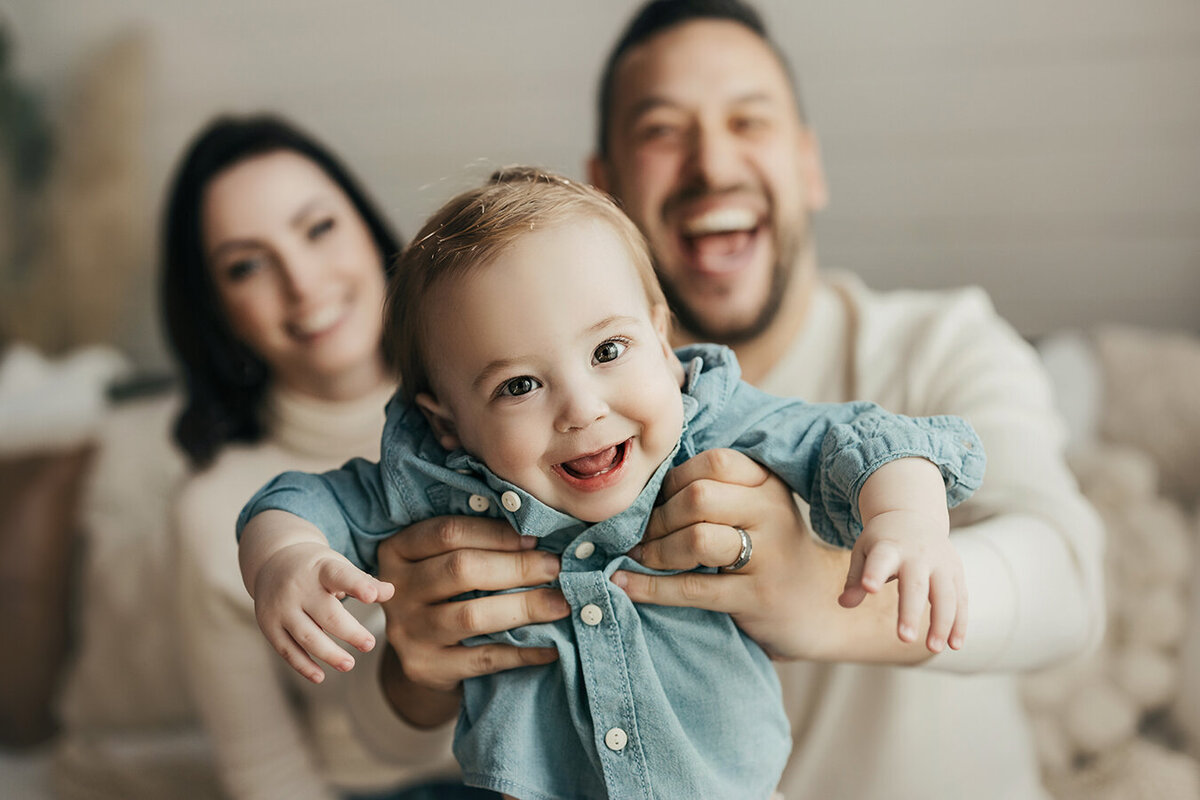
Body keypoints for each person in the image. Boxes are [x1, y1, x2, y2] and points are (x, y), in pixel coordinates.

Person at [358, 2, 1106, 799]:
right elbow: (367, 741)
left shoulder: (937, 342)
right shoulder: (512, 432)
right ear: (603, 190)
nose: (712, 165)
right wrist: (417, 671)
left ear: (809, 164)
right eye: (662, 131)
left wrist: (813, 592)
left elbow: (1069, 590)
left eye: (750, 121)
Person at [237, 167, 984, 800]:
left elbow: (859, 440)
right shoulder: (438, 481)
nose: (582, 408)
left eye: (610, 349)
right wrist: (284, 559)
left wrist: (906, 517)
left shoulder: (712, 422)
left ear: (663, 340)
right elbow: (296, 503)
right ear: (448, 423)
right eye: (520, 384)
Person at [161, 114, 492, 800]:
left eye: (318, 229)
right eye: (246, 265)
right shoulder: (217, 513)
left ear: (369, 233)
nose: (302, 281)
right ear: (216, 309)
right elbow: (269, 777)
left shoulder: (502, 400)